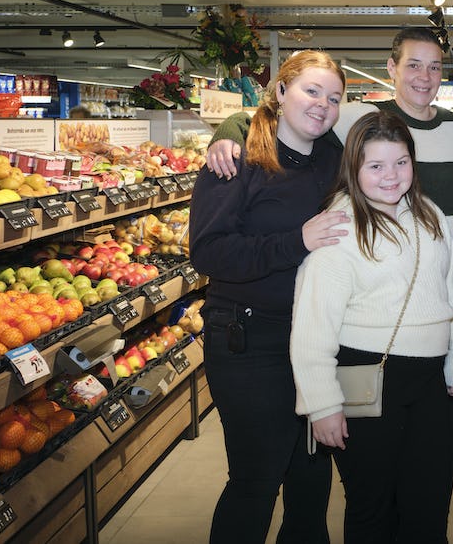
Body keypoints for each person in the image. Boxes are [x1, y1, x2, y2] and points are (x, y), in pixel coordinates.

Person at [291, 111, 453, 543]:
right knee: (372, 508)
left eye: (401, 162)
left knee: (429, 505)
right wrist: (322, 405)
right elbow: (312, 326)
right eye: (375, 166)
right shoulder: (338, 229)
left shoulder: (429, 215)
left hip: (431, 384)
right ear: (354, 168)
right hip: (366, 378)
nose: (391, 176)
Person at [207, 27, 453, 326]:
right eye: (413, 65)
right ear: (392, 68)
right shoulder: (359, 118)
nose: (424, 76)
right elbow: (287, 120)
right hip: (387, 280)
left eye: (434, 67)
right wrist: (230, 129)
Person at [188, 50, 350, 544]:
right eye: (311, 91)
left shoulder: (331, 156)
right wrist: (297, 240)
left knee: (311, 479)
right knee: (256, 479)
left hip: (314, 339)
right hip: (247, 339)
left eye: (335, 97)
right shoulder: (237, 159)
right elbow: (209, 252)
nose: (323, 105)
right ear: (280, 92)